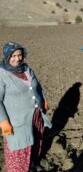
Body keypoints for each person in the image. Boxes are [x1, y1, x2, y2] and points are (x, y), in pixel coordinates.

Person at [0, 42, 52, 172]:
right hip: (17, 121)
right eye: (13, 55)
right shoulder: (2, 75)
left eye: (20, 55)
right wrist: (3, 121)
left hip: (35, 115)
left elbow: (37, 86)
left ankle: (33, 164)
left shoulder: (26, 69)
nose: (17, 58)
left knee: (36, 140)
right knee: (20, 148)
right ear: (7, 56)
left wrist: (43, 99)